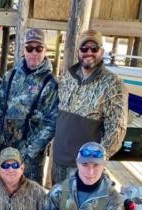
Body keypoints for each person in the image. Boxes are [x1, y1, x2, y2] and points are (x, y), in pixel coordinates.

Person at [52, 29, 128, 184]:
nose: (89, 53)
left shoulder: (114, 85)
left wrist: (95, 162)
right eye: (84, 49)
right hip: (58, 162)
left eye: (94, 49)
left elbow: (117, 130)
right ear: (78, 51)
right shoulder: (67, 77)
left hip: (85, 169)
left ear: (102, 51)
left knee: (82, 207)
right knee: (58, 206)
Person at [0, 28, 58, 185]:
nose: (34, 53)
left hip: (31, 160)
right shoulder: (11, 76)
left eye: (38, 48)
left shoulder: (50, 83)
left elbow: (51, 123)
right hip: (6, 152)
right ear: (23, 50)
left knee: (30, 198)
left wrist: (27, 154)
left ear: (45, 50)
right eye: (29, 48)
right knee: (3, 193)